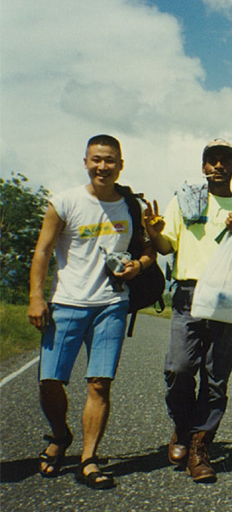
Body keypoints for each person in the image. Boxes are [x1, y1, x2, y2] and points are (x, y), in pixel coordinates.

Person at [29, 134, 156, 489]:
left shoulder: (133, 207)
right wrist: (36, 297)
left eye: (110, 160)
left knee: (99, 383)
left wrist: (138, 267)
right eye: (96, 159)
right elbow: (42, 252)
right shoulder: (65, 202)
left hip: (111, 305)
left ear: (121, 165)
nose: (103, 166)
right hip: (67, 302)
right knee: (49, 381)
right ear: (85, 162)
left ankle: (88, 459)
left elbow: (149, 252)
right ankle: (60, 435)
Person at [143, 139, 232, 483]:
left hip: (226, 295)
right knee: (179, 368)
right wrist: (152, 231)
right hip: (189, 291)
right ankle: (182, 426)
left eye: (226, 160)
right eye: (212, 160)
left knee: (216, 377)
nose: (219, 166)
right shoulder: (185, 200)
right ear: (203, 167)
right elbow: (167, 246)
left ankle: (198, 446)